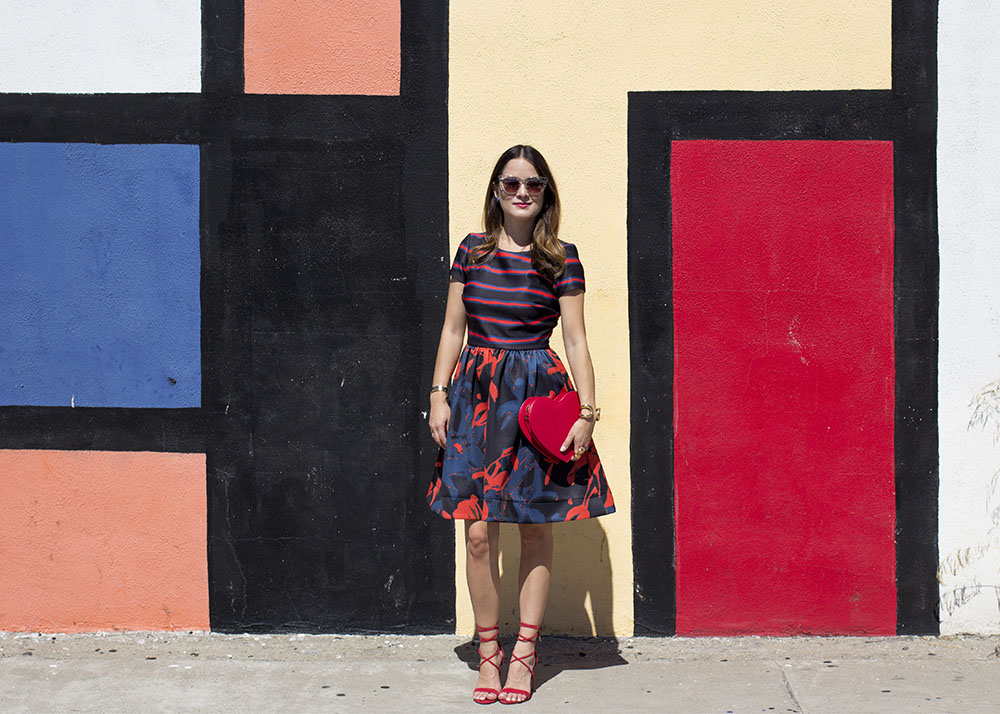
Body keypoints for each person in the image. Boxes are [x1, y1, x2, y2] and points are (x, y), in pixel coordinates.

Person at [426, 145, 615, 705]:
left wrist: (587, 411)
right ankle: (489, 653)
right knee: (478, 532)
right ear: (496, 191)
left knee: (535, 526)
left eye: (533, 184)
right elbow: (452, 329)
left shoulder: (562, 257)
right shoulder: (471, 252)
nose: (522, 192)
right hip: (476, 398)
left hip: (538, 397)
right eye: (511, 184)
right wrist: (438, 396)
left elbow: (576, 338)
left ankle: (525, 655)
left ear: (546, 192)